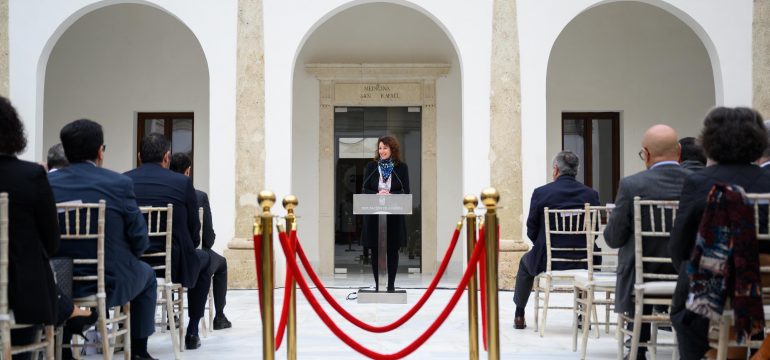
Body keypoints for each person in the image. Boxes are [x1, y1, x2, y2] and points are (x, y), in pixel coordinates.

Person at [49, 119, 158, 360]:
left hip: (57, 282)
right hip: (109, 282)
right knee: (148, 275)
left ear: (65, 151)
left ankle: (64, 348)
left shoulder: (47, 184)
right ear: (100, 151)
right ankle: (139, 351)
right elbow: (140, 239)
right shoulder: (118, 183)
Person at [669, 107, 770, 360]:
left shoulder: (699, 182)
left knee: (683, 310)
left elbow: (679, 246)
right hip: (763, 283)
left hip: (710, 285)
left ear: (709, 141)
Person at [603, 124, 690, 359]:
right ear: (679, 151)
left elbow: (613, 238)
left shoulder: (632, 185)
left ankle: (638, 344)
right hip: (686, 274)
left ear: (647, 153)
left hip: (641, 277)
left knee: (635, 255)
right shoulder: (698, 183)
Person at [125, 133, 210, 350]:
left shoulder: (124, 181)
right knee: (206, 260)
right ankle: (191, 331)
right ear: (166, 157)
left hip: (133, 261)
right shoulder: (182, 182)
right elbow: (194, 230)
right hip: (173, 264)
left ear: (139, 156)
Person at [513, 150, 600, 330]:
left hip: (547, 260)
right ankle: (582, 315)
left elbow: (531, 228)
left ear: (555, 170)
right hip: (585, 260)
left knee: (524, 264)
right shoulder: (591, 195)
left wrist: (544, 245)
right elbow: (595, 231)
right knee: (594, 253)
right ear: (576, 170)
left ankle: (519, 314)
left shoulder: (542, 193)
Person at [169, 152, 232, 330]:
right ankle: (218, 317)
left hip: (158, 260)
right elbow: (207, 239)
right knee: (219, 263)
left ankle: (171, 315)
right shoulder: (198, 196)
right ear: (188, 172)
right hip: (189, 255)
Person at [360, 135, 410, 292]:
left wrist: (390, 195)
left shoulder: (402, 167)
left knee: (392, 250)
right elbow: (365, 188)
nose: (382, 151)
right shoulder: (371, 166)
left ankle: (391, 286)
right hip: (375, 215)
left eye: (385, 148)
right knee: (375, 250)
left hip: (394, 215)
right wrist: (377, 193)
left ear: (392, 149)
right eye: (380, 148)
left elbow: (405, 190)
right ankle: (378, 286)